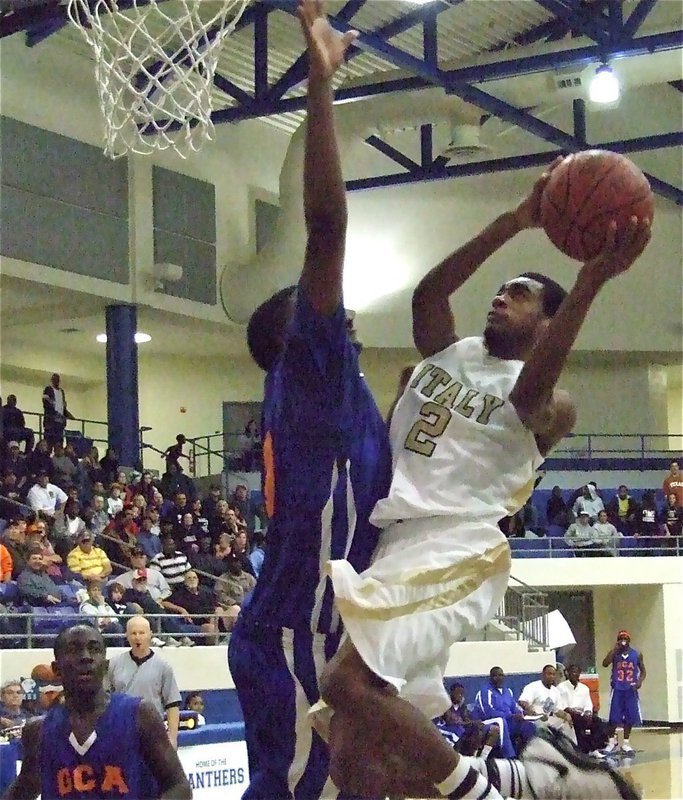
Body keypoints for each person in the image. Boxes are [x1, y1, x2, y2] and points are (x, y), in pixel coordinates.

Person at [318, 149, 650, 795]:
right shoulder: (448, 352)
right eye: (501, 289)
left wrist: (590, 279)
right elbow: (428, 292)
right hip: (395, 546)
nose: (500, 296)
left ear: (547, 321)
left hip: (456, 547)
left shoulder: (551, 403)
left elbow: (528, 400)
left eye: (520, 295)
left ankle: (510, 790)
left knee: (343, 684)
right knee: (356, 763)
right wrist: (515, 219)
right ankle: (538, 785)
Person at [226, 4, 392, 799]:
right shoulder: (311, 377)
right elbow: (325, 227)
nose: (337, 307)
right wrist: (319, 87)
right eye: (316, 304)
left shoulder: (340, 392)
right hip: (298, 630)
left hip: (328, 627)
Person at [4, 625, 191, 799]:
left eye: (94, 649)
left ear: (106, 665)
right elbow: (25, 787)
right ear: (56, 669)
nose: (86, 657)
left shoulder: (139, 714)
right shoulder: (38, 731)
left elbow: (179, 786)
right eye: (73, 650)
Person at [108, 616, 183, 748]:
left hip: (152, 733)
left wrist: (172, 738)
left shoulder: (163, 666)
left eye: (141, 633)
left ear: (150, 635)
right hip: (120, 732)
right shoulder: (114, 663)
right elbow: (105, 698)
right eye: (133, 633)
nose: (137, 637)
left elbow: (172, 704)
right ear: (127, 636)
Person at [473, 667, 536, 758]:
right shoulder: (485, 691)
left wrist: (523, 713)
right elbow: (487, 712)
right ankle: (509, 755)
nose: (499, 678)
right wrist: (510, 715)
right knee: (501, 721)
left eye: (501, 675)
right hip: (487, 721)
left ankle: (525, 754)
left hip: (508, 720)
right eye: (495, 676)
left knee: (529, 724)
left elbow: (514, 708)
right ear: (491, 677)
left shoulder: (508, 691)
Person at [602, 630, 646, 756]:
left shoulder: (636, 654)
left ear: (629, 640)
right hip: (617, 689)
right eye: (621, 638)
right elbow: (604, 664)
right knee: (614, 718)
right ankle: (611, 742)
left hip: (630, 689)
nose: (623, 640)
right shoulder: (615, 653)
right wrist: (614, 649)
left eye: (625, 638)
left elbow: (643, 671)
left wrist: (639, 681)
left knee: (629, 717)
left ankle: (626, 743)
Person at [557, 664, 610, 758]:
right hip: (569, 713)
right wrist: (579, 714)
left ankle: (594, 748)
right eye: (572, 672)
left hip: (583, 713)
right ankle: (583, 749)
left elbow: (588, 704)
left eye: (577, 672)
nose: (575, 674)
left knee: (598, 722)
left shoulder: (584, 688)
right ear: (567, 673)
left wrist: (588, 712)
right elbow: (564, 706)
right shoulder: (561, 687)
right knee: (582, 722)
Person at [518, 665, 577, 744]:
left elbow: (556, 710)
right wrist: (534, 712)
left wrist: (566, 715)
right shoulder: (533, 687)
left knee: (567, 723)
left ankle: (571, 749)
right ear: (543, 675)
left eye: (553, 674)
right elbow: (522, 702)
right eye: (549, 674)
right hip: (534, 719)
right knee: (541, 727)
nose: (551, 676)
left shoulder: (555, 691)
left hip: (547, 719)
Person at [41, 373, 75, 452]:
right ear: (52, 381)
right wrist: (55, 413)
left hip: (60, 423)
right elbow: (46, 403)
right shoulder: (48, 389)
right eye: (54, 380)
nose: (56, 382)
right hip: (51, 422)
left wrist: (67, 415)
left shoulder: (61, 392)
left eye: (57, 380)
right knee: (49, 444)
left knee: (59, 445)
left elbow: (62, 406)